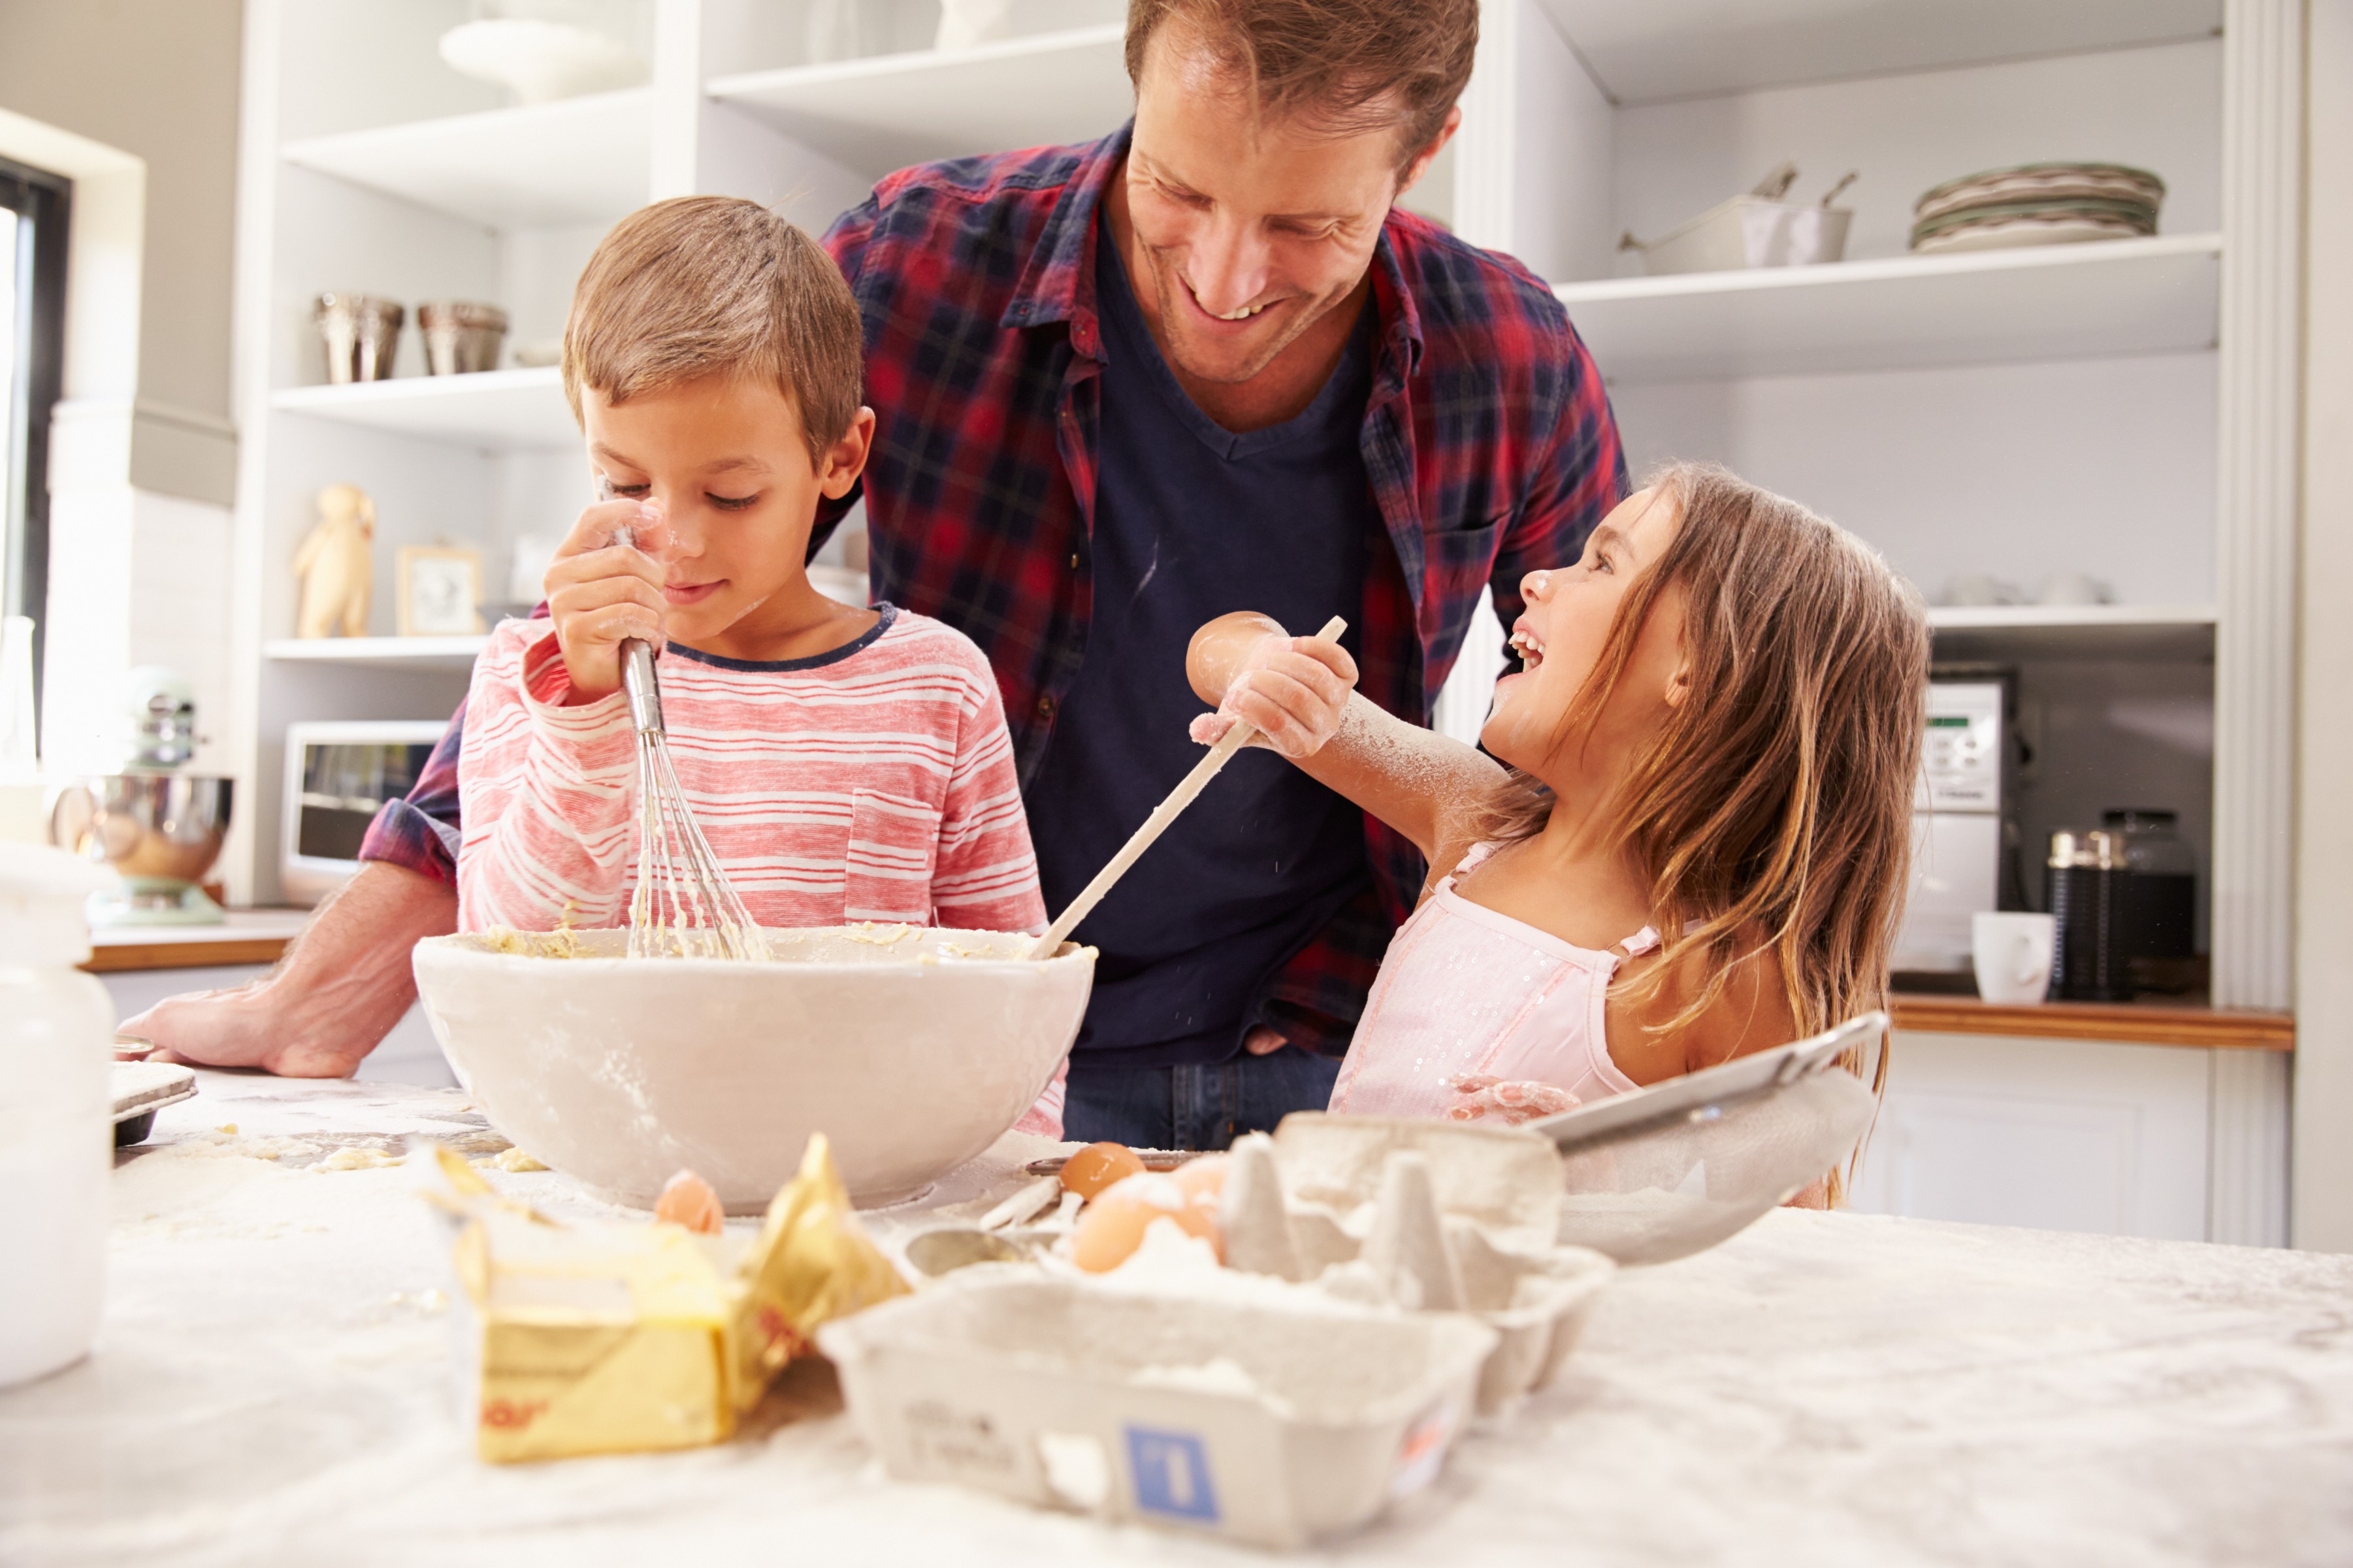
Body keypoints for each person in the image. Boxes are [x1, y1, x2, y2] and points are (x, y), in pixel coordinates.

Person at [133, 0, 1626, 1149]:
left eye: (1308, 225)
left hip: (1313, 1067)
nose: (1225, 281)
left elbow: (1608, 763)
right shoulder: (916, 267)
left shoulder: (1506, 358)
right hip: (937, 1074)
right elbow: (627, 601)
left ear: (1421, 154)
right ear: (1136, 57)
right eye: (1179, 189)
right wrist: (323, 999)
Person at [1186, 464, 1928, 1159]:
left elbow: (1786, 1256)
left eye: (1601, 564)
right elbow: (1214, 647)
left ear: (1698, 665)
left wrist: (1610, 1180)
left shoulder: (1721, 978)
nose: (1537, 579)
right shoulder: (1474, 821)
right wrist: (1262, 670)